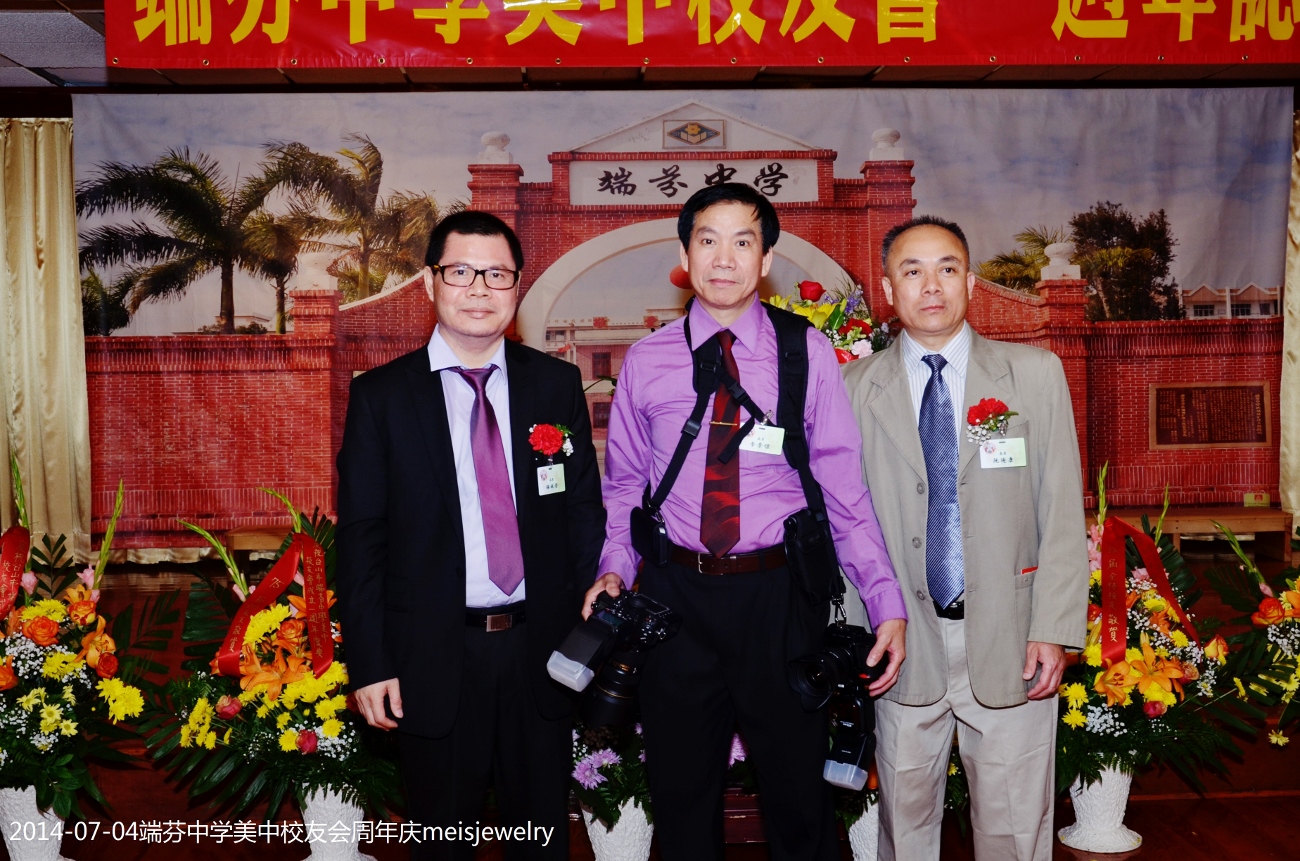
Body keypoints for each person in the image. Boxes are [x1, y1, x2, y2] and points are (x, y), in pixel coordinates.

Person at [585, 183, 907, 861]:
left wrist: (884, 600)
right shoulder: (647, 359)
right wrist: (614, 567)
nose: (723, 258)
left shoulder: (804, 351)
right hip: (673, 599)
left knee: (799, 799)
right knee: (680, 796)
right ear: (685, 256)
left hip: (777, 597)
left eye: (742, 241)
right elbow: (624, 485)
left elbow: (843, 489)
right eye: (708, 240)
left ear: (765, 260)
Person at [336, 210, 605, 860]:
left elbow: (582, 513)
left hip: (540, 654)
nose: (479, 289)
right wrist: (370, 663)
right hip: (432, 656)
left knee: (542, 841)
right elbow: (362, 542)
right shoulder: (382, 397)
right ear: (431, 282)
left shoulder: (555, 384)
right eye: (461, 272)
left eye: (496, 274)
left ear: (517, 287)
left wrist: (585, 637)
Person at [843, 215, 1088, 860]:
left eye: (947, 268)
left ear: (970, 283)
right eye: (912, 271)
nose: (932, 286)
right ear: (888, 290)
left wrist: (1054, 627)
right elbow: (843, 522)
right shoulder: (852, 389)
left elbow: (1062, 510)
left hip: (1013, 635)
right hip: (899, 643)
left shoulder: (1034, 375)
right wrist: (851, 632)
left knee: (1014, 830)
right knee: (904, 826)